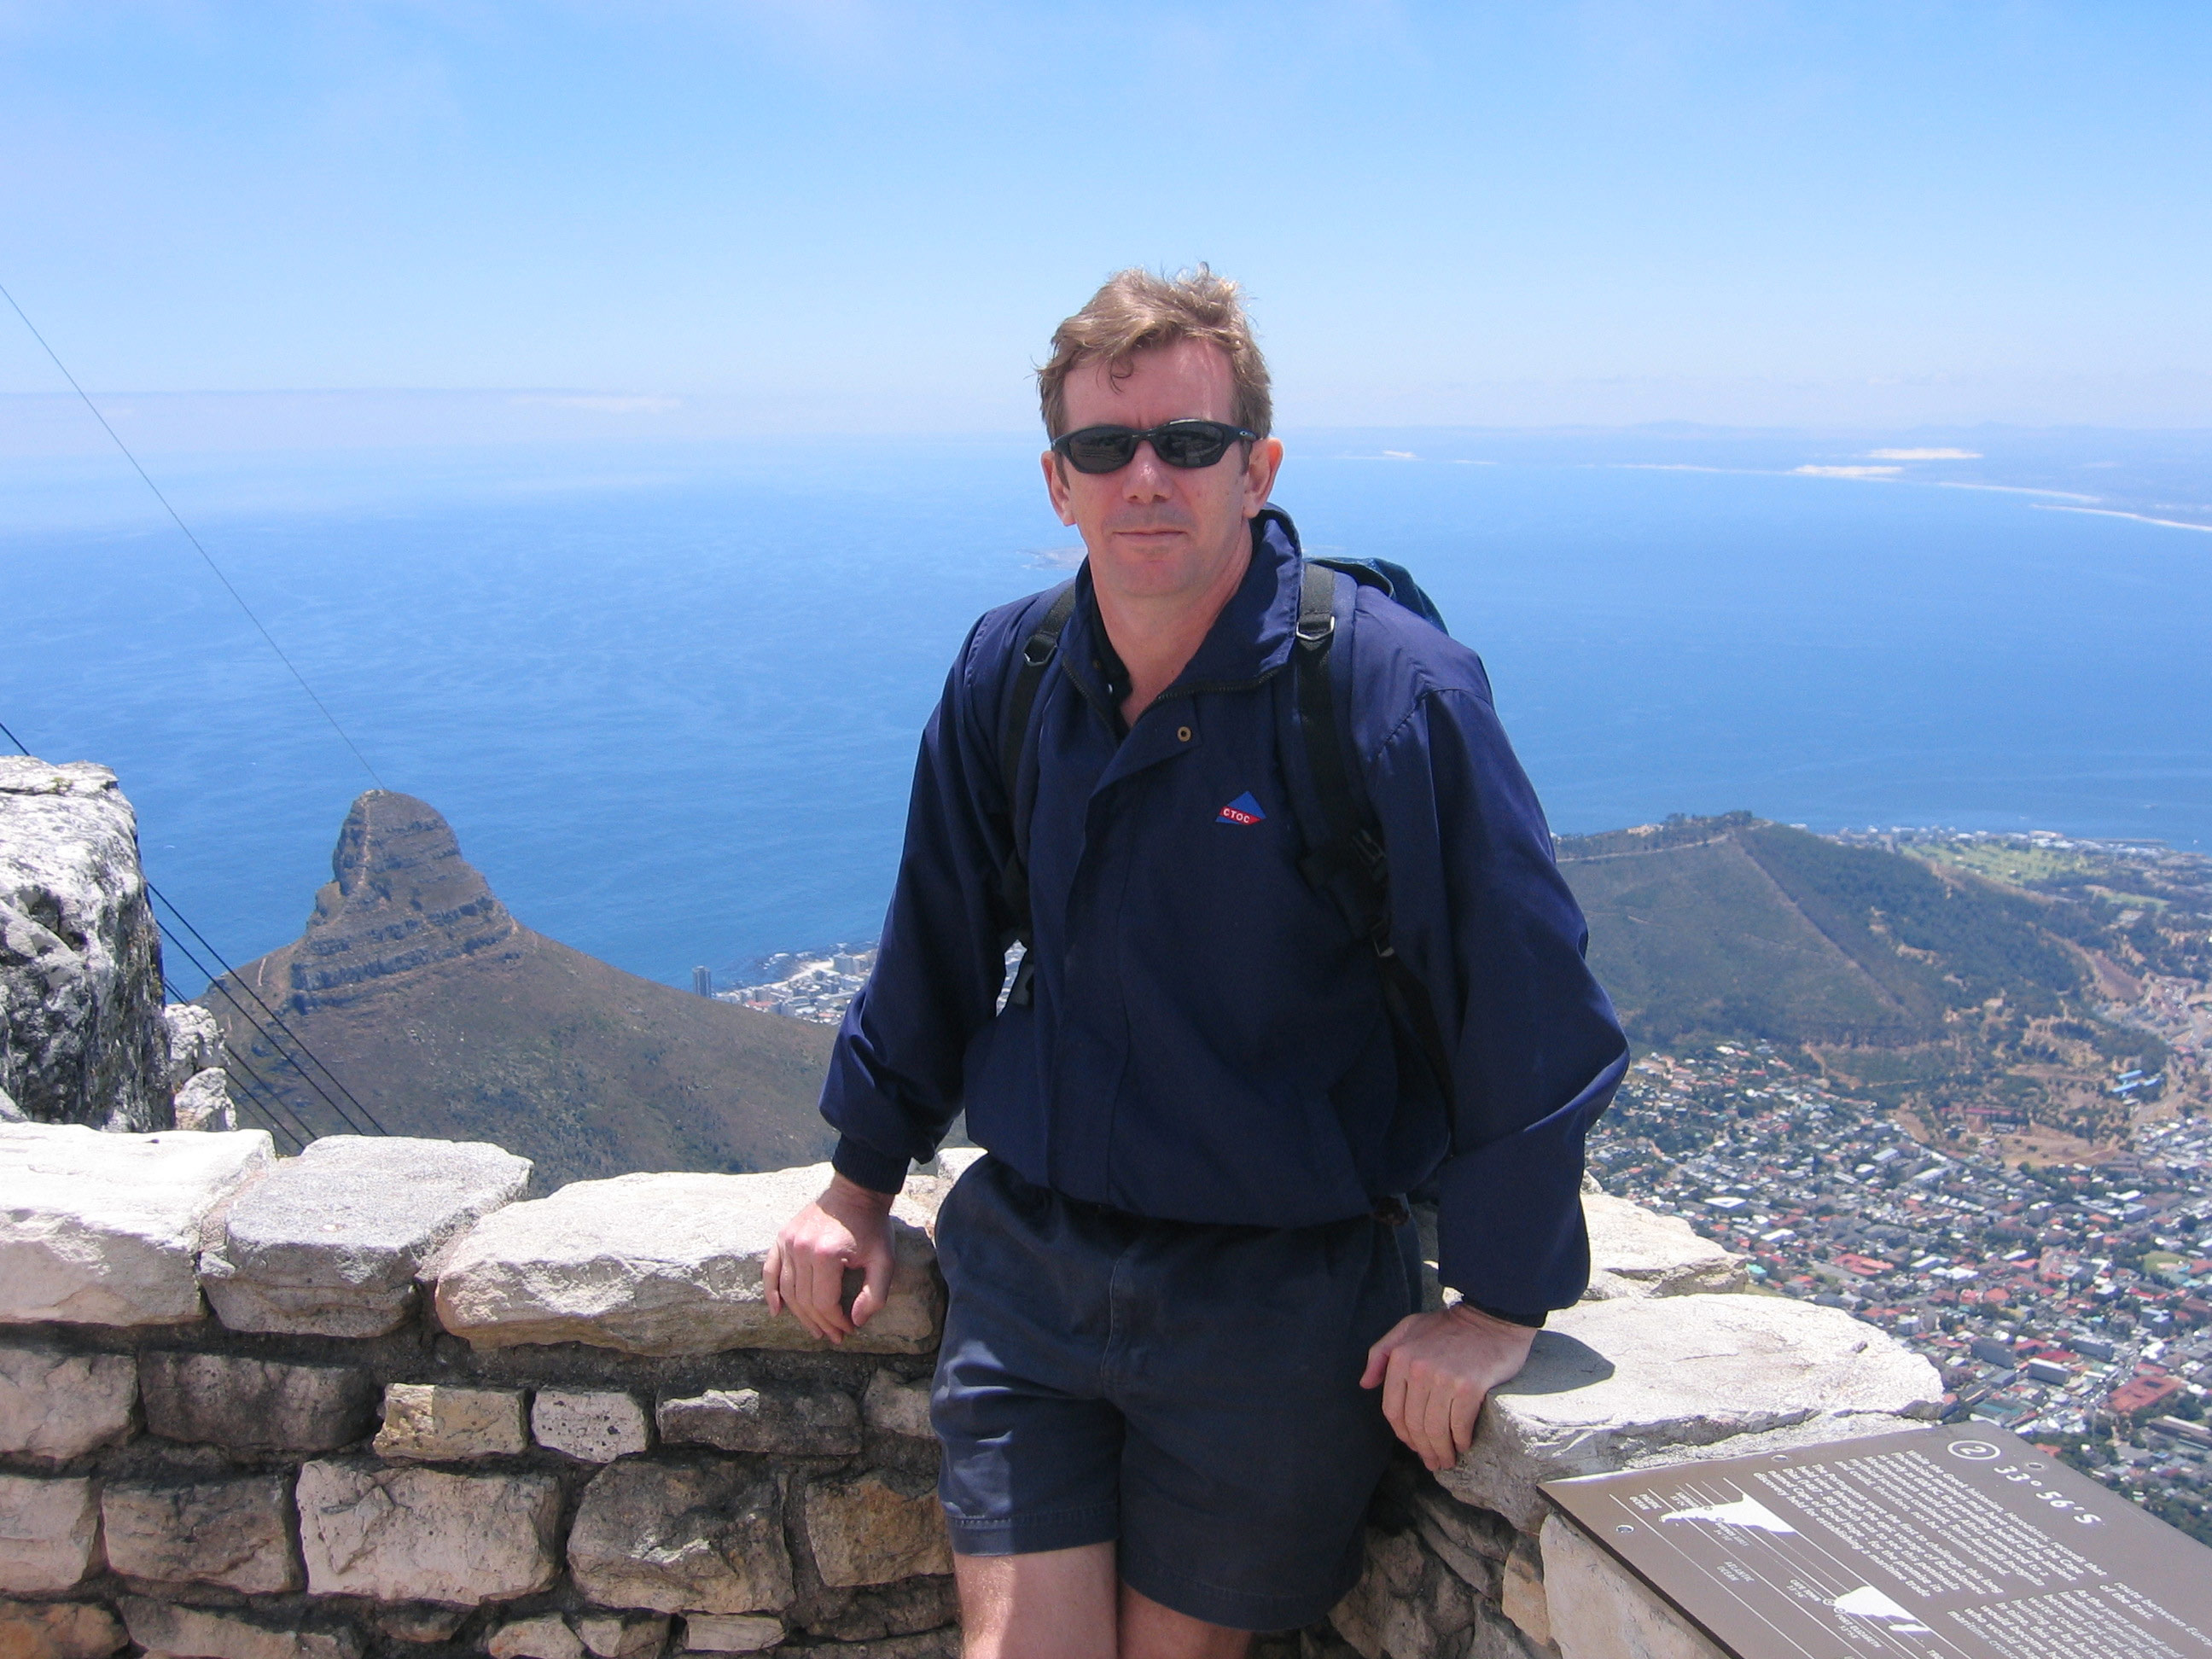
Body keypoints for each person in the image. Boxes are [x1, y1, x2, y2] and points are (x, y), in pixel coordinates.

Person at [766, 268, 1627, 1659]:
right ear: (1059, 481)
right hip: (1035, 1270)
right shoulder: (1015, 670)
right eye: (1107, 448)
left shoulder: (1387, 692)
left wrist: (1498, 1300)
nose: (1147, 477)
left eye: (1190, 441)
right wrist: (859, 1189)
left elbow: (1528, 997)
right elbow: (935, 933)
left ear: (1258, 464)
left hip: (1274, 1304)